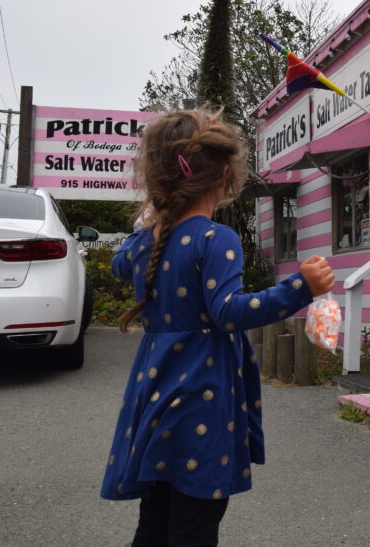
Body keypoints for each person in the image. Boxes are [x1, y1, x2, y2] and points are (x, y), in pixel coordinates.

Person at [100, 109, 335, 546]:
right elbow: (229, 312)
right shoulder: (214, 239)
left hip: (152, 397)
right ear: (226, 175)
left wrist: (148, 219)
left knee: (155, 517)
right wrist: (299, 288)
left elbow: (119, 263)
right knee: (196, 524)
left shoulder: (145, 244)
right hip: (201, 401)